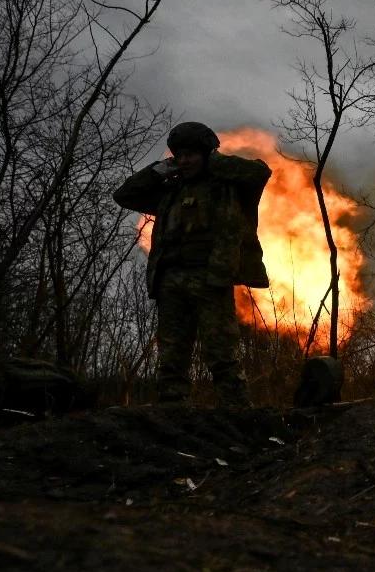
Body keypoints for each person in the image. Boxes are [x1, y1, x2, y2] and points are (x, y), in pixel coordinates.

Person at [113, 122, 271, 408]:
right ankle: (174, 409)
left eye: (192, 154)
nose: (184, 161)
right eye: (180, 155)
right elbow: (124, 195)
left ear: (206, 154)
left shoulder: (226, 187)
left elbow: (259, 172)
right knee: (172, 354)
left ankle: (236, 412)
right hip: (170, 280)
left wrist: (215, 161)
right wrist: (158, 170)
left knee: (221, 351)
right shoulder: (170, 192)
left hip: (211, 279)